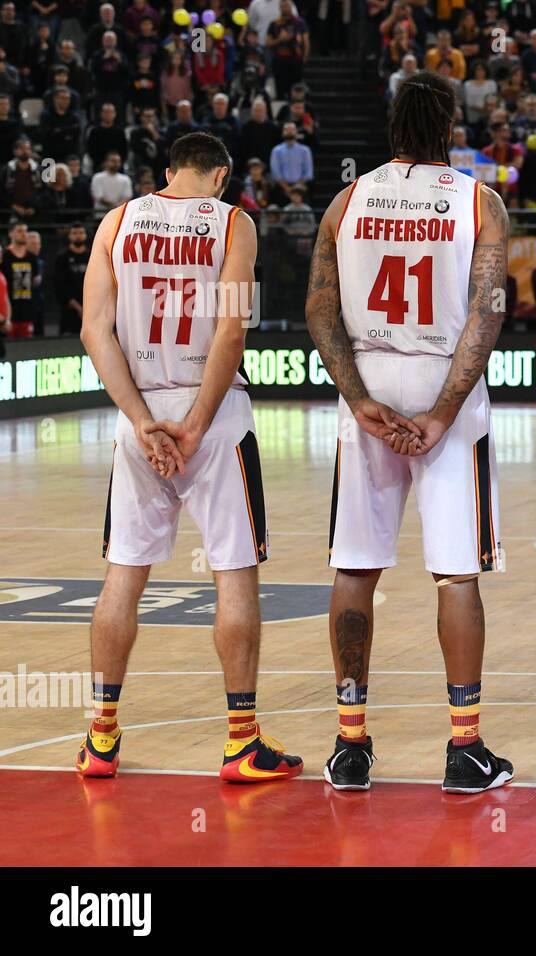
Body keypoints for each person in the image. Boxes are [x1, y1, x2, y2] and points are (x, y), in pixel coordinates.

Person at [305, 72, 512, 794]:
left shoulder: (347, 199)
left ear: (392, 127)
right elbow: (488, 313)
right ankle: (464, 749)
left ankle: (350, 745)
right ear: (449, 126)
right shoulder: (478, 201)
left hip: (371, 378)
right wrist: (445, 412)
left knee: (356, 566)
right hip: (440, 380)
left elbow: (319, 311)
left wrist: (359, 398)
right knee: (456, 571)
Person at [76, 132, 302, 782]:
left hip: (139, 415)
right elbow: (233, 326)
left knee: (124, 575)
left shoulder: (116, 220)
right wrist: (197, 424)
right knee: (233, 574)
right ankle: (240, 742)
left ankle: (100, 736)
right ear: (222, 175)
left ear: (167, 172)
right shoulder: (235, 222)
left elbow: (96, 330)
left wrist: (145, 422)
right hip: (216, 417)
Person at [52, 221, 90, 336]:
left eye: (81, 232)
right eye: (75, 233)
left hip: (92, 309)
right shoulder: (62, 257)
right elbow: (59, 286)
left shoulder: (92, 255)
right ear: (69, 236)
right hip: (69, 311)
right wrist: (79, 308)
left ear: (86, 235)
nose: (78, 235)